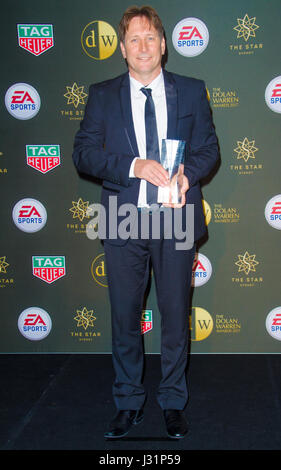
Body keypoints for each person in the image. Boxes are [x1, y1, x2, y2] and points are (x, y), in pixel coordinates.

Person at [73, 5, 218, 439]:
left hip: (175, 218)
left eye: (150, 38)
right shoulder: (101, 94)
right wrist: (134, 165)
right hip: (123, 218)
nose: (142, 46)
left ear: (164, 45)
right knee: (124, 317)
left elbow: (209, 149)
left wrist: (186, 175)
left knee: (174, 317)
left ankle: (173, 402)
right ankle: (129, 401)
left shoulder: (191, 91)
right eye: (133, 39)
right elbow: (83, 153)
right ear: (122, 48)